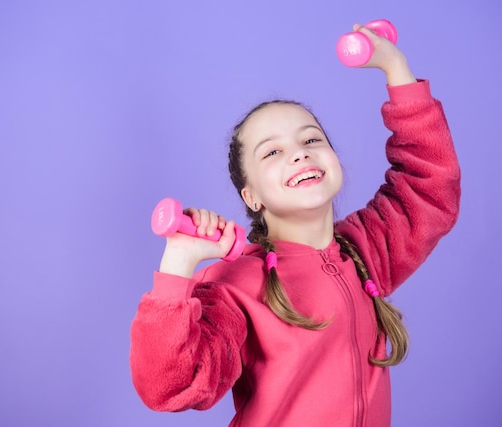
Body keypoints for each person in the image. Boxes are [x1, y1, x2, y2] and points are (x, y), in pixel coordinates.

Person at [130, 23, 461, 427]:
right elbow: (170, 386)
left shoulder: (367, 249)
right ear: (251, 197)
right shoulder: (236, 285)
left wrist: (396, 69)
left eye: (311, 140)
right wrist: (178, 263)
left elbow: (430, 187)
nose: (300, 155)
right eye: (272, 152)